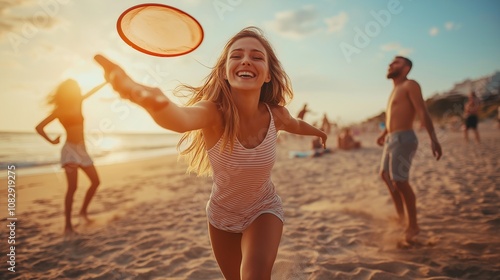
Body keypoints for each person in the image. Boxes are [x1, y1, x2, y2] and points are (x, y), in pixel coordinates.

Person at [94, 26, 327, 279]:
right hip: (220, 217)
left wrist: (320, 133)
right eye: (236, 56)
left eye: (256, 56)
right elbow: (180, 118)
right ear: (225, 72)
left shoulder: (276, 115)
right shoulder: (213, 113)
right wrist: (151, 100)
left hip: (264, 209)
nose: (246, 60)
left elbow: (296, 124)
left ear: (268, 75)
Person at [376, 56, 442, 243]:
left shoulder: (410, 84)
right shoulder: (395, 89)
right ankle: (400, 216)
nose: (390, 64)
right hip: (391, 138)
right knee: (385, 175)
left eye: (396, 62)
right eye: (391, 62)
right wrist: (384, 134)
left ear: (406, 68)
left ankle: (413, 225)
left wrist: (433, 139)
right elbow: (394, 117)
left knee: (400, 181)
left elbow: (422, 111)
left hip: (404, 138)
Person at [35, 79, 105, 237]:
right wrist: (52, 141)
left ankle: (82, 212)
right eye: (75, 88)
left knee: (95, 182)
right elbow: (39, 127)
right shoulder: (59, 111)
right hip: (70, 152)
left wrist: (107, 82)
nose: (78, 90)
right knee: (72, 188)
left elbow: (93, 90)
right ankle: (67, 225)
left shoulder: (78, 102)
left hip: (83, 151)